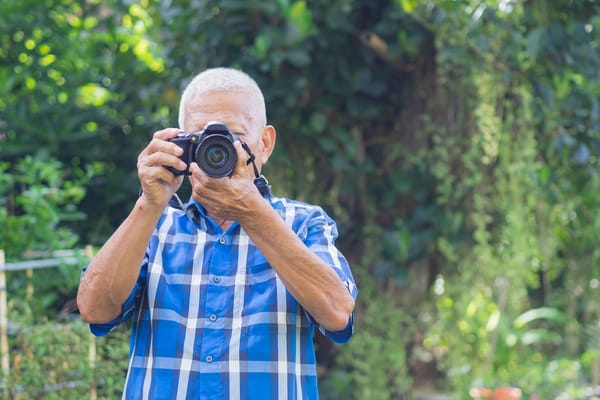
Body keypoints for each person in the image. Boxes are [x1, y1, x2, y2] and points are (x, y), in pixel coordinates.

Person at [77, 67, 357, 400]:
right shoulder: (153, 226)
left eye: (233, 137)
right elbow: (94, 309)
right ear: (181, 146)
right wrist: (149, 203)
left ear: (265, 144)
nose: (218, 152)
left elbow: (338, 313)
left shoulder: (305, 223)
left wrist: (252, 212)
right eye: (201, 139)